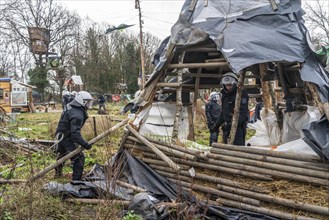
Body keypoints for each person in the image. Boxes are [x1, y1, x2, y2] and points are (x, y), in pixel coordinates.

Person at [54, 91, 94, 180]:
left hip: (60, 135)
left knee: (62, 155)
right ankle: (76, 181)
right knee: (79, 158)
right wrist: (85, 144)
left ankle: (58, 175)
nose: (89, 104)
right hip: (67, 138)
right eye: (87, 101)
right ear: (82, 101)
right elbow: (75, 133)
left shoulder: (71, 106)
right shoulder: (77, 114)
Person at [215, 72, 249, 146]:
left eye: (230, 85)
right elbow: (223, 111)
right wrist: (217, 124)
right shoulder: (224, 94)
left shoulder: (241, 93)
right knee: (226, 148)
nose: (228, 87)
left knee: (238, 148)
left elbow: (243, 112)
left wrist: (232, 125)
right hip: (226, 127)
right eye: (226, 85)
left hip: (238, 127)